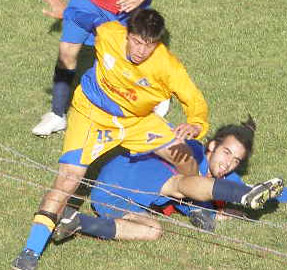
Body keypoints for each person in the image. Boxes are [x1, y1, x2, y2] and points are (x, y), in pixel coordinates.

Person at [13, 9, 209, 270]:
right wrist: (67, 13)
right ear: (127, 35)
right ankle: (30, 252)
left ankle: (194, 203)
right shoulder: (108, 33)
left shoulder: (167, 66)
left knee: (183, 155)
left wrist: (196, 123)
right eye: (137, 41)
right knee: (69, 178)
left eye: (149, 45)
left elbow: (194, 98)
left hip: (136, 120)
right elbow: (81, 15)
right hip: (91, 114)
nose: (141, 50)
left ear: (157, 43)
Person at [51, 116, 287, 243]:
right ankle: (229, 201)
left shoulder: (224, 177)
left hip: (112, 200)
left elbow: (271, 192)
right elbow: (155, 136)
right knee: (183, 184)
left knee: (153, 231)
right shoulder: (191, 147)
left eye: (236, 160)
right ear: (211, 146)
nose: (228, 163)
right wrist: (211, 208)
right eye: (226, 153)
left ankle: (76, 221)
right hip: (127, 173)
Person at [32, 0, 156, 136]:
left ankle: (152, 99)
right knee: (66, 53)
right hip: (85, 4)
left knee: (124, 57)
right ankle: (57, 114)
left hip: (124, 8)